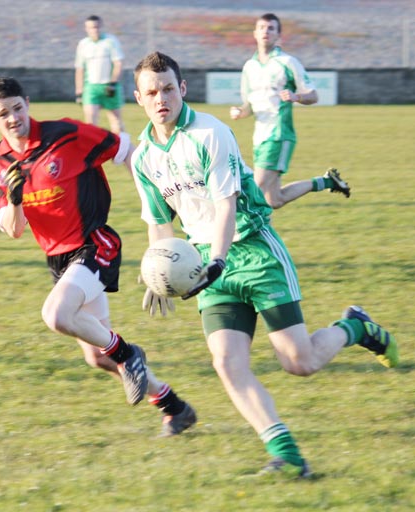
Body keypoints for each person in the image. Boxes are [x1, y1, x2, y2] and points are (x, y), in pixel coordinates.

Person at [131, 52, 398, 476]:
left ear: (182, 89)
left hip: (253, 250)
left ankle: (355, 326)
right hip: (206, 267)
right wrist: (157, 272)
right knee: (227, 363)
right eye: (151, 91)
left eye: (168, 88)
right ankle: (288, 457)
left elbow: (226, 207)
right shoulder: (143, 157)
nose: (161, 97)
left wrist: (218, 258)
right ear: (139, 98)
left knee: (300, 362)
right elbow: (161, 225)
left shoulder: (210, 133)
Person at [0, 76, 196, 437]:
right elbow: (13, 228)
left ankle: (129, 352)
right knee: (97, 356)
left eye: (18, 108)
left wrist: (154, 204)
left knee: (56, 315)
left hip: (95, 244)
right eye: (4, 113)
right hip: (60, 261)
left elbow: (126, 149)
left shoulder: (66, 134)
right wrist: (14, 200)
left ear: (28, 102)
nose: (14, 118)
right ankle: (174, 407)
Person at [230, 13, 350, 209]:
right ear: (255, 33)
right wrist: (241, 112)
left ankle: (238, 236)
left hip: (278, 134)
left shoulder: (287, 62)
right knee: (274, 200)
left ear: (279, 36)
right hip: (259, 137)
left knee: (255, 190)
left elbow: (313, 95)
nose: (265, 31)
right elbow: (249, 105)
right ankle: (327, 181)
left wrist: (297, 97)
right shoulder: (249, 67)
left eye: (271, 28)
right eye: (262, 27)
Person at [75, 15, 125, 134]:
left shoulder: (110, 41)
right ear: (86, 28)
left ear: (101, 26)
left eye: (97, 27)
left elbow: (118, 63)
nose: (94, 30)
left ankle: (122, 149)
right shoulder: (83, 44)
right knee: (91, 123)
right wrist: (79, 91)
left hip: (109, 85)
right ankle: (96, 150)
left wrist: (113, 83)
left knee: (116, 121)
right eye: (91, 27)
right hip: (91, 87)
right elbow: (80, 69)